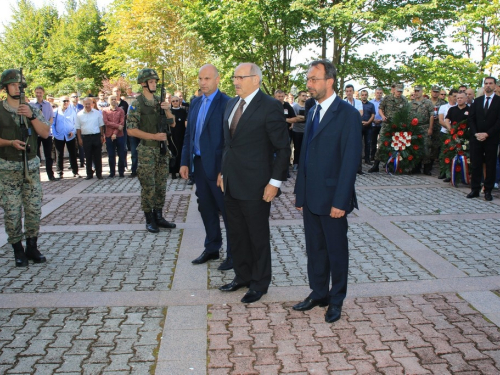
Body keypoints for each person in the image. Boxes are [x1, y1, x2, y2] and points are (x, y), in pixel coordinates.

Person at [293, 60, 361, 323]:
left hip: (334, 198)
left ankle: (336, 299)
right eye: (308, 79)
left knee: (336, 251)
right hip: (311, 198)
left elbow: (350, 161)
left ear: (330, 81)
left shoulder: (347, 114)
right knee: (315, 249)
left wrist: (341, 201)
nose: (309, 85)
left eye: (313, 79)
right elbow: (305, 157)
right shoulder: (311, 111)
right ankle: (318, 292)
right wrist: (301, 194)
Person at [218, 63, 290, 304]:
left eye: (241, 77)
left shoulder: (270, 106)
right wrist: (222, 171)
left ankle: (259, 283)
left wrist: (275, 183)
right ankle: (243, 276)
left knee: (257, 235)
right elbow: (228, 144)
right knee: (236, 233)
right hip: (231, 181)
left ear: (256, 80)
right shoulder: (231, 104)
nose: (236, 81)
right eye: (234, 76)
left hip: (258, 184)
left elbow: (282, 148)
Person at [180, 64, 233, 271]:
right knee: (206, 207)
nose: (203, 83)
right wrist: (185, 161)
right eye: (200, 79)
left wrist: (224, 169)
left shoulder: (227, 103)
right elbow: (189, 135)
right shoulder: (194, 103)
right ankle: (212, 247)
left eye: (207, 79)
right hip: (199, 165)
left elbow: (230, 141)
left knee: (227, 210)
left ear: (218, 79)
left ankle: (233, 255)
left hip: (218, 168)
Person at [0, 69, 50, 267]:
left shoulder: (32, 109)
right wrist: (9, 143)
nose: (16, 88)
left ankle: (32, 245)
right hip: (7, 169)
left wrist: (31, 117)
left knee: (33, 209)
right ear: (5, 88)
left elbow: (45, 133)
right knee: (12, 213)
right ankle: (17, 249)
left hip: (30, 169)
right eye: (12, 85)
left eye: (19, 85)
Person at [127, 68, 176, 232]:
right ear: (143, 83)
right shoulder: (137, 103)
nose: (154, 84)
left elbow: (173, 123)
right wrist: (154, 137)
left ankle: (159, 216)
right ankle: (149, 219)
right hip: (147, 150)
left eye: (155, 81)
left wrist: (167, 109)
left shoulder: (159, 101)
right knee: (149, 186)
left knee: (161, 185)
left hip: (161, 150)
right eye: (151, 81)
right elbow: (131, 130)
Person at [467, 77, 500, 201]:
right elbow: (471, 119)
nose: (488, 86)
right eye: (486, 83)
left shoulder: (498, 101)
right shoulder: (478, 101)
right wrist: (476, 133)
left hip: (491, 138)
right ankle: (474, 189)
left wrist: (487, 134)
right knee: (476, 164)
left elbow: (498, 121)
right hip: (477, 138)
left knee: (490, 165)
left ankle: (488, 190)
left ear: (495, 86)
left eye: (491, 83)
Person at [368, 83, 408, 172]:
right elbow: (380, 108)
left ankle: (392, 165)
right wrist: (382, 116)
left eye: (401, 91)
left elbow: (406, 112)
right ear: (395, 90)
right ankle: (376, 165)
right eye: (398, 91)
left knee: (396, 145)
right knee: (381, 144)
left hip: (398, 126)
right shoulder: (387, 98)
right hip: (387, 124)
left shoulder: (404, 100)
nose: (399, 93)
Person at [76, 97, 105, 180]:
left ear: (92, 104)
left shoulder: (97, 113)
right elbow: (78, 128)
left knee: (98, 156)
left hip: (96, 136)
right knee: (88, 156)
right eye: (86, 104)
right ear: (83, 104)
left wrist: (102, 136)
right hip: (85, 137)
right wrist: (79, 139)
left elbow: (101, 126)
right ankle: (89, 174)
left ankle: (99, 174)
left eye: (89, 103)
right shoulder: (79, 114)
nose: (87, 105)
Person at [31, 86, 56, 181]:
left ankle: (50, 175)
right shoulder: (31, 104)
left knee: (48, 155)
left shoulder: (48, 104)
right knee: (36, 156)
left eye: (40, 92)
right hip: (35, 134)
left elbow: (51, 118)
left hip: (46, 133)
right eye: (37, 92)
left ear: (43, 93)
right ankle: (37, 176)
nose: (38, 94)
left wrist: (46, 126)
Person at [52, 96, 79, 178]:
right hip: (59, 136)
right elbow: (52, 124)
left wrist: (73, 132)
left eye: (67, 101)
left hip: (70, 135)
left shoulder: (72, 111)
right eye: (64, 101)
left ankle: (75, 171)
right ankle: (59, 172)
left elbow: (76, 123)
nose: (66, 102)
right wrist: (55, 134)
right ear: (60, 102)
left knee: (72, 154)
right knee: (59, 154)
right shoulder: (55, 111)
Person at [410, 85, 435, 174]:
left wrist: (430, 128)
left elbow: (432, 115)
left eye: (418, 91)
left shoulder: (427, 102)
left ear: (422, 91)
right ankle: (416, 167)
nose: (416, 93)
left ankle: (426, 168)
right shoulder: (411, 103)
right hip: (415, 128)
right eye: (415, 91)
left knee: (426, 147)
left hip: (425, 127)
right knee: (415, 148)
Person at [102, 95, 126, 178]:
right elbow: (106, 122)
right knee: (111, 155)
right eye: (111, 99)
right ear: (108, 101)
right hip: (109, 135)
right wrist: (116, 127)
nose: (113, 101)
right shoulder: (105, 111)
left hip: (119, 135)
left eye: (114, 99)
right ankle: (112, 172)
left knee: (121, 154)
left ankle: (121, 172)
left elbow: (122, 123)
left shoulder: (121, 110)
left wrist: (115, 133)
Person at [169, 95, 187, 179]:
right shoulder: (169, 111)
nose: (175, 102)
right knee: (173, 153)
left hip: (181, 135)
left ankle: (180, 171)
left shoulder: (183, 111)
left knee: (180, 153)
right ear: (171, 102)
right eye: (173, 101)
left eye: (177, 100)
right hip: (172, 136)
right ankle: (173, 172)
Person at [291, 90, 307, 171]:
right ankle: (295, 164)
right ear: (299, 96)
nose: (305, 97)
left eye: (306, 96)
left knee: (304, 148)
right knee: (297, 148)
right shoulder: (295, 107)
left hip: (305, 131)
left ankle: (302, 164)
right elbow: (295, 118)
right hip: (296, 131)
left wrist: (300, 117)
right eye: (303, 95)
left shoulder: (308, 107)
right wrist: (304, 117)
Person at [360, 89, 375, 165]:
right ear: (361, 96)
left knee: (368, 143)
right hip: (359, 126)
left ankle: (367, 159)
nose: (364, 96)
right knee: (359, 143)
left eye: (365, 95)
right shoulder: (358, 104)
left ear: (367, 96)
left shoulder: (371, 105)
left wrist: (368, 122)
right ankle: (359, 159)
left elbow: (373, 115)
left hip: (368, 126)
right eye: (363, 95)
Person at [370, 88, 384, 161]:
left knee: (382, 142)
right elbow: (369, 113)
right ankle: (372, 156)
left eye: (380, 93)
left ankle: (381, 157)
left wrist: (381, 120)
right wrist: (373, 120)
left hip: (382, 124)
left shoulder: (384, 102)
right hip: (373, 124)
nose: (379, 94)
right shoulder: (371, 102)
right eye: (377, 93)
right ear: (375, 93)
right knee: (373, 142)